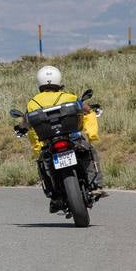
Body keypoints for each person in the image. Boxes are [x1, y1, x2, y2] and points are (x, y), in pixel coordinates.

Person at [21, 65, 103, 208]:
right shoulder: (68, 96)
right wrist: (90, 111)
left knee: (42, 163)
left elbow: (27, 122)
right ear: (58, 80)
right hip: (72, 138)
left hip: (49, 143)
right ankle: (96, 185)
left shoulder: (33, 102)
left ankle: (53, 194)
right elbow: (84, 108)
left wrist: (21, 128)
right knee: (89, 152)